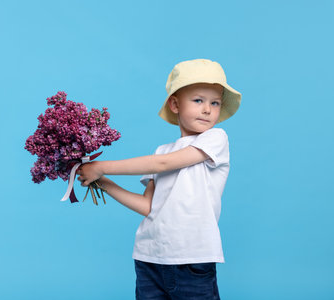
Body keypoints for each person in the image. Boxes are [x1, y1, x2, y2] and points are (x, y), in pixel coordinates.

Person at [77, 58, 242, 300]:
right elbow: (148, 206)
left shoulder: (215, 139)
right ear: (175, 104)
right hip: (149, 256)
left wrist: (102, 167)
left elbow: (164, 164)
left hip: (192, 258)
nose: (207, 109)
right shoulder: (161, 150)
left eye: (215, 103)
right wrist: (101, 181)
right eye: (198, 100)